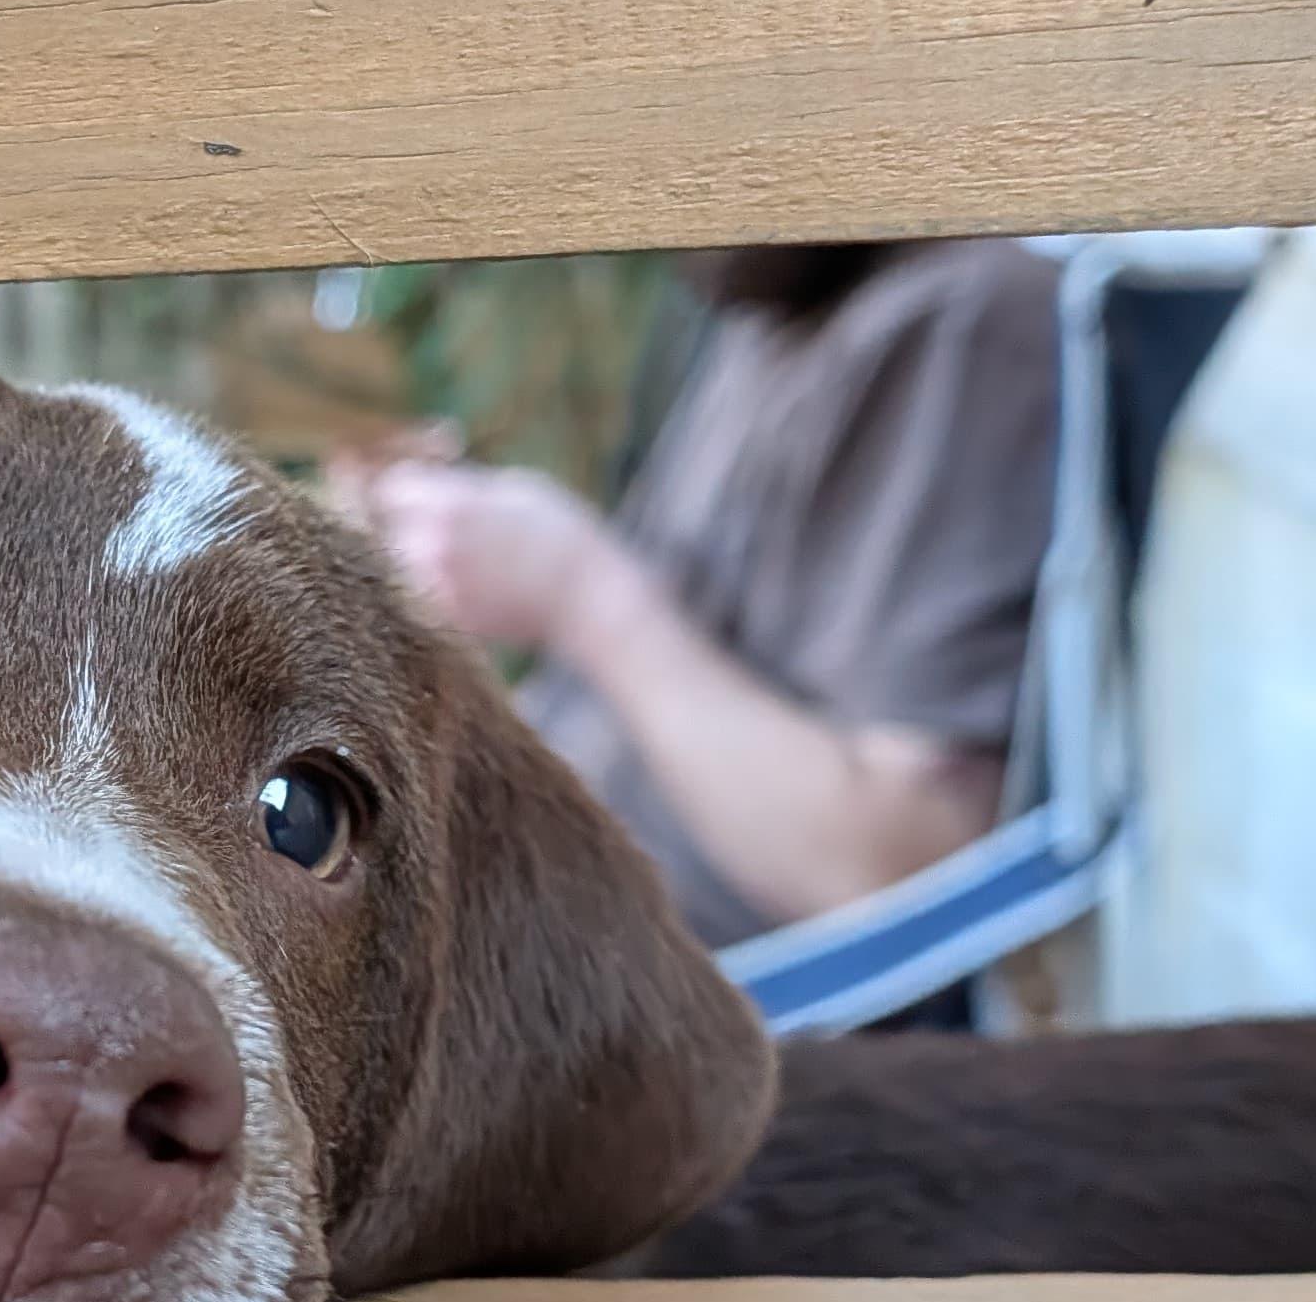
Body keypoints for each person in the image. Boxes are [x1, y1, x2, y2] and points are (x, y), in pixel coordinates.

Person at [349, 240, 1062, 989]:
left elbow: (900, 876)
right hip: (511, 945)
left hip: (654, 1032)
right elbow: (617, 717)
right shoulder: (762, 302)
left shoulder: (960, 320)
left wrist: (577, 588)